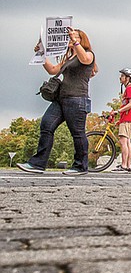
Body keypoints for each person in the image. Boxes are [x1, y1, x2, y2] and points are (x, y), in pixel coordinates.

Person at [18, 27, 96, 175]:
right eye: (70, 38)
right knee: (46, 125)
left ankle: (80, 166)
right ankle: (38, 163)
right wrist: (41, 54)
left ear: (82, 40)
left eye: (75, 37)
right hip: (61, 99)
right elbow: (53, 70)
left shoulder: (88, 55)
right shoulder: (68, 59)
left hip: (77, 99)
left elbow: (85, 59)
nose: (70, 40)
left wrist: (75, 41)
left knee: (77, 133)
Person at [110, 68, 131, 173]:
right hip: (127, 118)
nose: (120, 78)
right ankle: (126, 165)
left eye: (122, 76)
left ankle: (124, 165)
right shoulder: (129, 89)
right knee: (127, 142)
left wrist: (118, 111)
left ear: (128, 78)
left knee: (124, 142)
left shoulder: (130, 89)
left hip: (128, 118)